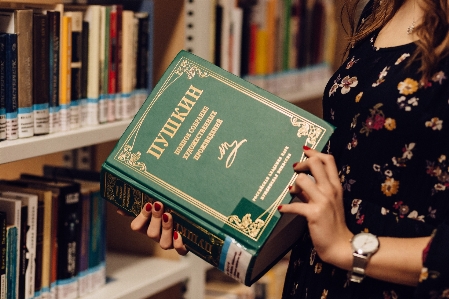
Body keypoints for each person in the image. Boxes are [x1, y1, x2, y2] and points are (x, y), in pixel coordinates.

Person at [128, 0, 449, 297]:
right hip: (318, 277)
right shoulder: (381, 9)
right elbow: (352, 170)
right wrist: (204, 218)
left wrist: (347, 247)